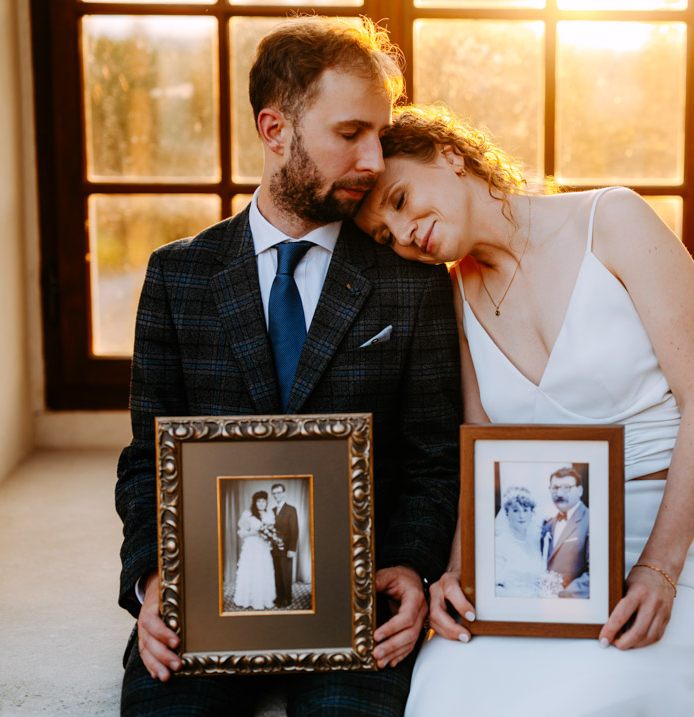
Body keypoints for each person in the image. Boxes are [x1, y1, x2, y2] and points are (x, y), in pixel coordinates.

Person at [354, 105, 694, 717]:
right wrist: (461, 570)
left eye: (400, 200)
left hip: (665, 542)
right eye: (386, 236)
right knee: (444, 692)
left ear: (450, 154)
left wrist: (659, 569)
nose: (404, 234)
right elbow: (482, 446)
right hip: (536, 568)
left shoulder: (614, 221)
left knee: (593, 697)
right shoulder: (454, 294)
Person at [115, 19, 462, 717]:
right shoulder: (178, 275)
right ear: (274, 130)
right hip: (206, 594)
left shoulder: (412, 280)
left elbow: (433, 455)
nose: (374, 160)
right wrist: (153, 579)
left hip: (358, 596)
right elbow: (146, 458)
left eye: (380, 135)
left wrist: (411, 564)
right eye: (350, 133)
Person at [539, 467, 590, 599]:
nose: (559, 493)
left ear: (580, 490)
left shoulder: (591, 520)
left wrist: (563, 596)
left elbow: (597, 572)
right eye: (555, 488)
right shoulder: (547, 525)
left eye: (566, 487)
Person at [494, 486, 543, 597]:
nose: (522, 516)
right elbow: (495, 588)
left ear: (531, 513)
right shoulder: (500, 543)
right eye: (515, 511)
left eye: (525, 510)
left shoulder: (534, 543)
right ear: (507, 513)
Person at [233, 491, 278, 610]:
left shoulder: (270, 514)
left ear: (266, 502)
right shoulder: (248, 514)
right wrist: (253, 533)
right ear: (255, 502)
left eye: (263, 501)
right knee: (251, 571)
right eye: (258, 501)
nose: (261, 504)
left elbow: (272, 531)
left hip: (263, 547)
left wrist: (269, 536)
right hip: (251, 546)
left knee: (263, 571)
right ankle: (247, 599)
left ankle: (264, 599)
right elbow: (241, 532)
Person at [270, 483, 298, 607]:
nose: (276, 495)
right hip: (274, 548)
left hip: (286, 548)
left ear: (284, 493)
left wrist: (292, 549)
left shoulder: (291, 510)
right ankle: (280, 596)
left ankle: (287, 597)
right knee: (277, 573)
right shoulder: (272, 511)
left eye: (279, 492)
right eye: (274, 493)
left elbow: (294, 530)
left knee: (286, 573)